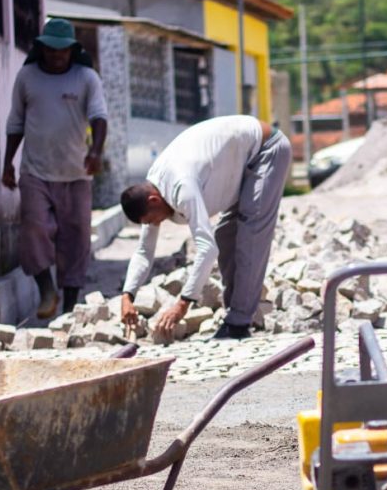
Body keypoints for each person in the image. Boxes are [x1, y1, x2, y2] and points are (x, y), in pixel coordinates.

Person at [120, 114, 292, 340]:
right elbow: (144, 251)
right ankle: (236, 313)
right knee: (225, 236)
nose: (155, 224)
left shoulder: (181, 186)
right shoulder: (154, 190)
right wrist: (127, 296)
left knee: (250, 235)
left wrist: (182, 304)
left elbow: (206, 249)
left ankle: (238, 323)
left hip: (266, 150)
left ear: (153, 200)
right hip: (240, 161)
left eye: (151, 220)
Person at [2, 18, 108, 319]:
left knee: (75, 238)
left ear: (72, 51)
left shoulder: (86, 78)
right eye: (50, 50)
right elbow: (15, 122)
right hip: (35, 171)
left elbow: (99, 116)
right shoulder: (27, 77)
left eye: (62, 52)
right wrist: (8, 163)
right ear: (41, 49)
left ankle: (71, 304)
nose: (56, 56)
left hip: (76, 173)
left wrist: (96, 151)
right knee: (34, 229)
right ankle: (46, 290)